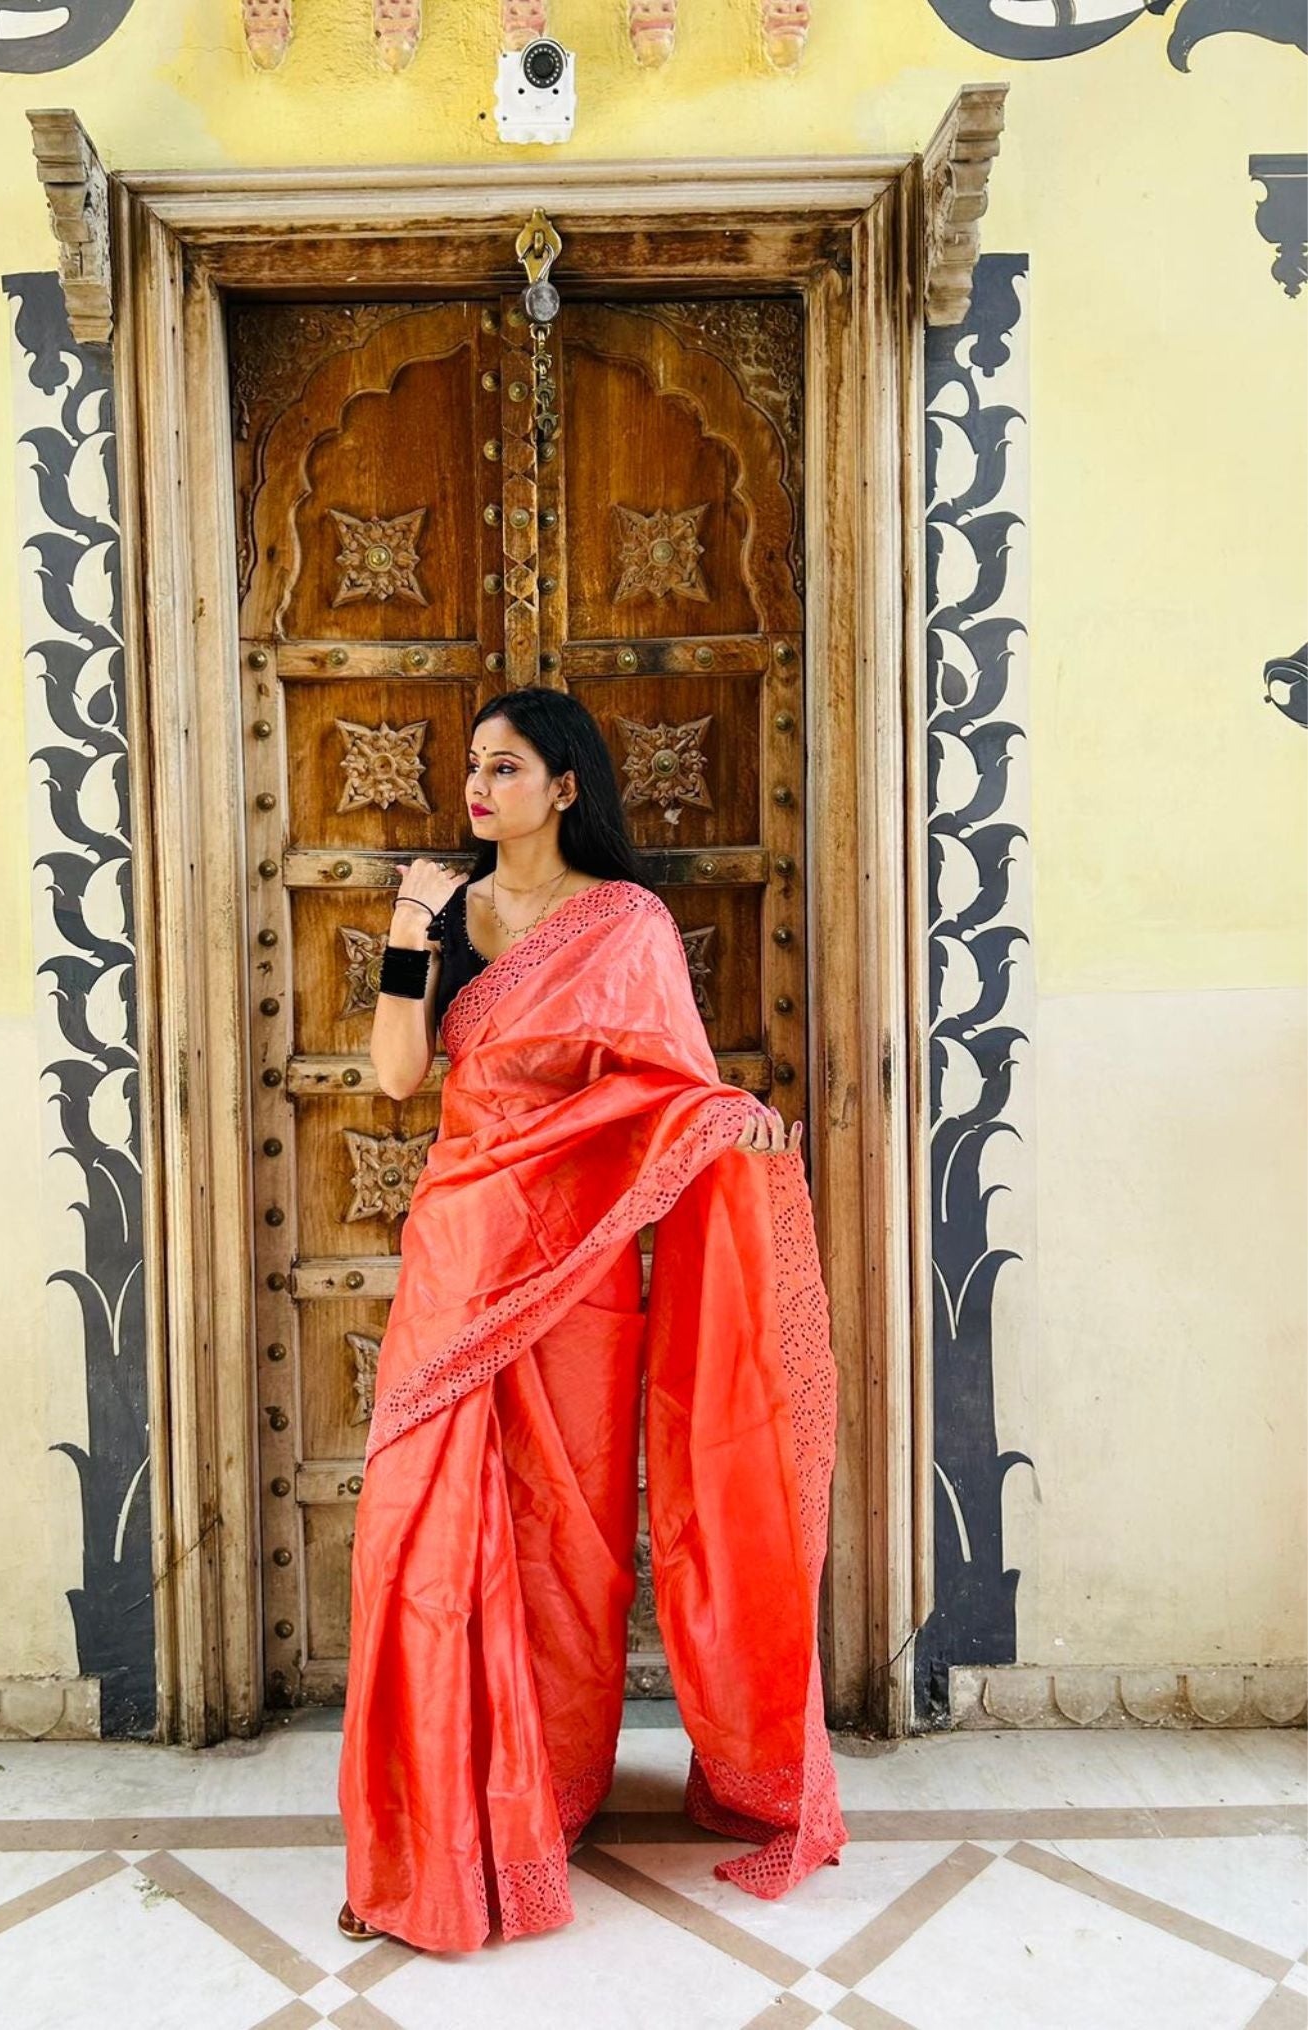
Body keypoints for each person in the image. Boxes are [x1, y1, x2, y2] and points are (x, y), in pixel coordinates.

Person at [336, 686, 846, 1953]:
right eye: (471, 766)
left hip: (572, 1274)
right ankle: (435, 1808)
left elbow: (667, 1087)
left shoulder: (623, 924)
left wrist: (732, 1122)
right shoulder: (445, 916)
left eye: (504, 766)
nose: (478, 784)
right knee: (419, 1519)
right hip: (460, 1250)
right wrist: (410, 917)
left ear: (566, 787)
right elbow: (400, 1075)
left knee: (564, 1540)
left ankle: (541, 1793)